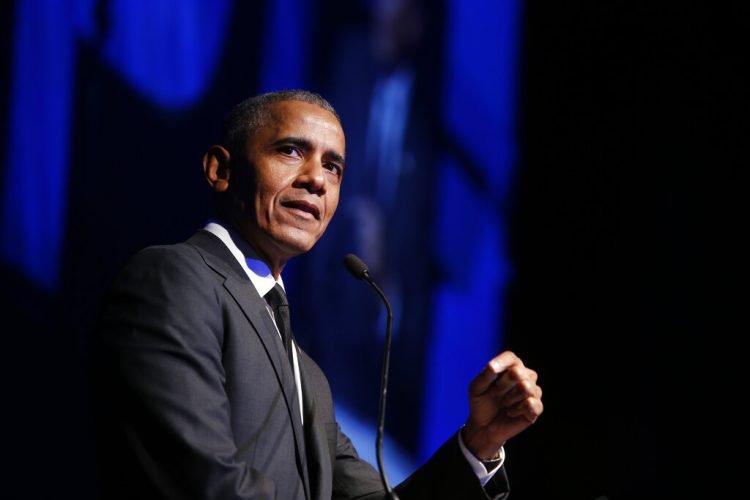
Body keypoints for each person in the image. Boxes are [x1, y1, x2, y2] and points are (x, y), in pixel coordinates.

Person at [91, 89, 543, 500]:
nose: (317, 180)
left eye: (333, 167)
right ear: (221, 169)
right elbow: (206, 483)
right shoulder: (173, 279)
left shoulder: (309, 379)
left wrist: (478, 444)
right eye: (290, 151)